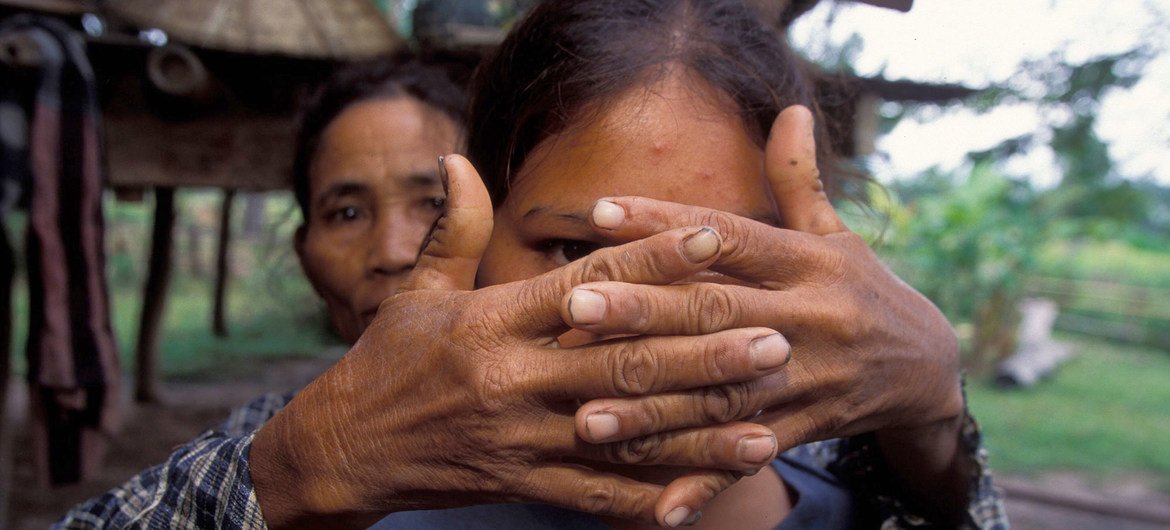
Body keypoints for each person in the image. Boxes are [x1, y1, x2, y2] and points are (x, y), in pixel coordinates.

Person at [61, 1, 1010, 527]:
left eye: (715, 250)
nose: (637, 311)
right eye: (572, 249)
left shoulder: (873, 481)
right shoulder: (311, 476)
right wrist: (301, 473)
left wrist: (933, 408)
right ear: (474, 236)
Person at [56, 53, 790, 529]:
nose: (396, 252)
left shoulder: (789, 452)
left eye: (438, 203)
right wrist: (300, 470)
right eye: (345, 212)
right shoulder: (262, 445)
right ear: (304, 253)